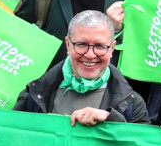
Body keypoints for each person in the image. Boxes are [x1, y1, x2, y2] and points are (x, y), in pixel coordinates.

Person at [14, 10, 149, 124]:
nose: (90, 55)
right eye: (82, 45)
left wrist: (111, 119)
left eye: (100, 46)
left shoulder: (132, 104)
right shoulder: (35, 93)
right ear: (68, 45)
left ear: (112, 48)